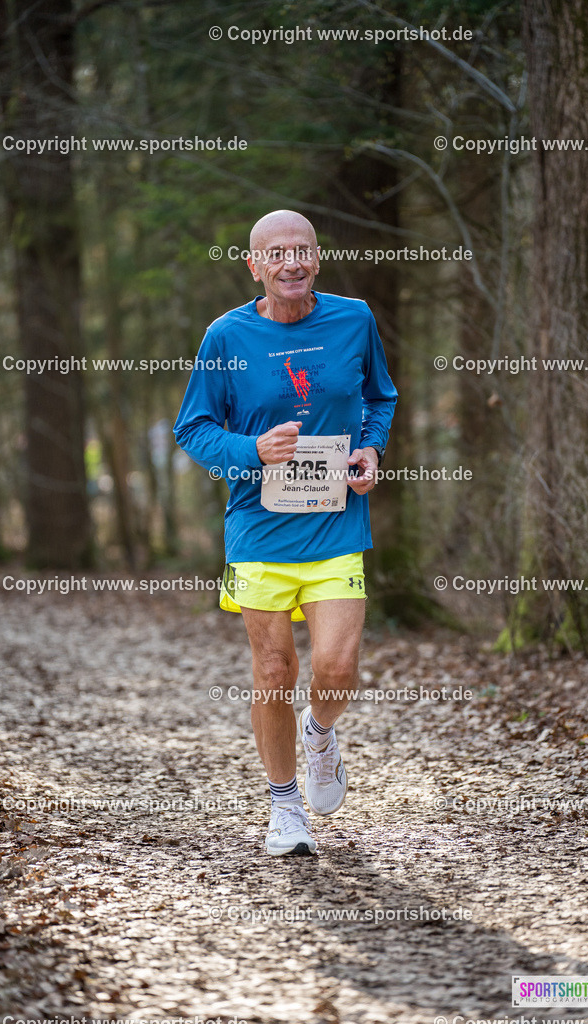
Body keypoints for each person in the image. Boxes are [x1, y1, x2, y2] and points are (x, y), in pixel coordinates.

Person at [174, 210, 397, 855]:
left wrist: (371, 450)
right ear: (255, 265)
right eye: (277, 255)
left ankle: (320, 732)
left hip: (335, 523)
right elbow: (194, 428)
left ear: (317, 258)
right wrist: (251, 450)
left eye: (302, 251)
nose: (291, 263)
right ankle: (283, 805)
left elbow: (380, 398)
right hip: (258, 529)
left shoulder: (354, 320)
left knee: (337, 668)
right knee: (273, 670)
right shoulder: (227, 337)